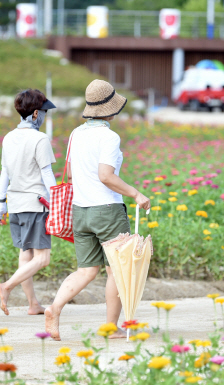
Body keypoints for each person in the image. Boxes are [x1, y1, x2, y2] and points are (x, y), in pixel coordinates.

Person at [44, 79, 151, 341]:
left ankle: (54, 308)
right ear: (110, 109)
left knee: (86, 270)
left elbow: (69, 171)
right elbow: (106, 176)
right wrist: (135, 193)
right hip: (107, 210)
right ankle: (111, 327)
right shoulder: (109, 136)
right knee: (116, 269)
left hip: (80, 210)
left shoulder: (76, 134)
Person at [0, 89, 57, 316]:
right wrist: (57, 201)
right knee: (43, 258)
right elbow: (47, 174)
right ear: (34, 114)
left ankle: (33, 304)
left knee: (26, 255)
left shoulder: (8, 137)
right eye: (43, 112)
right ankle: (6, 286)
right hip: (36, 203)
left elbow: (4, 172)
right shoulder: (40, 139)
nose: (44, 116)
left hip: (15, 204)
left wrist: (1, 204)